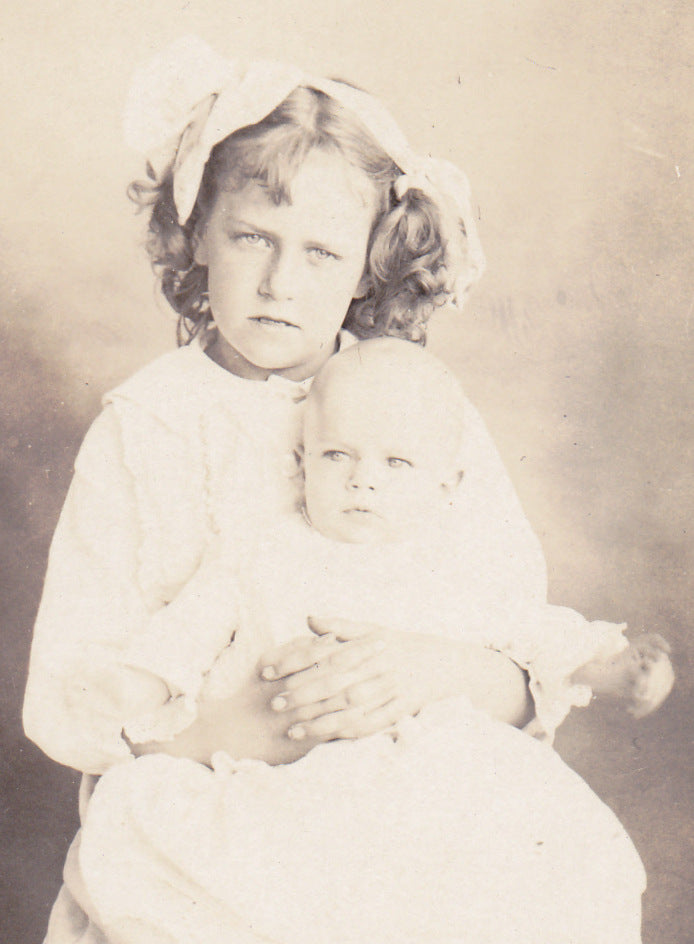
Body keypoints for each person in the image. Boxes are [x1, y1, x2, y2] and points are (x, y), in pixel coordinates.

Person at [22, 38, 671, 944]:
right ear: (198, 230)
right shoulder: (149, 427)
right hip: (217, 795)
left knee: (556, 867)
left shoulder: (414, 408)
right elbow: (67, 700)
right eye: (253, 237)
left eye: (323, 252)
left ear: (369, 261)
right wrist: (245, 722)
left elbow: (516, 640)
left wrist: (436, 669)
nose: (282, 283)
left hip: (412, 777)